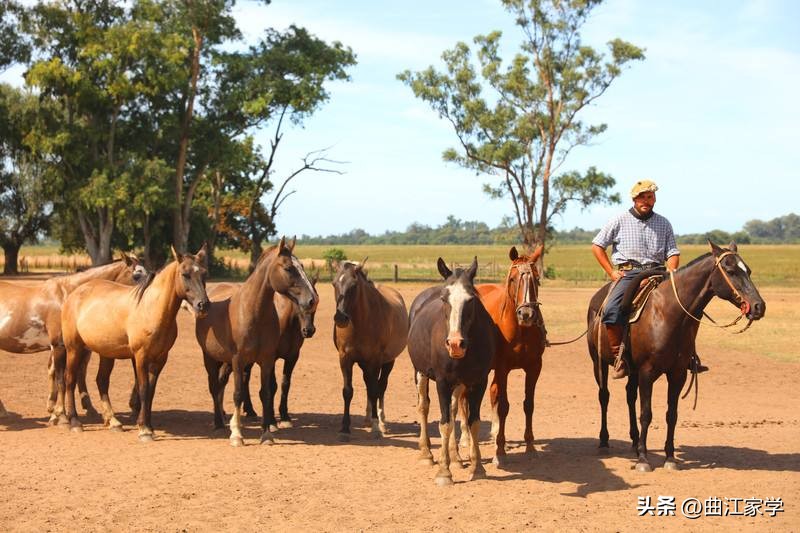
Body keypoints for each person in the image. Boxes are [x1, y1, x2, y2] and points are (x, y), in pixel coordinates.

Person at [591, 180, 680, 379]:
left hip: (658, 272)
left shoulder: (664, 223)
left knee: (684, 306)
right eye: (642, 197)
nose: (646, 201)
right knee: (613, 308)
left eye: (650, 197)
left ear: (654, 199)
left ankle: (687, 356)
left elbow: (672, 251)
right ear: (634, 199)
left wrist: (672, 271)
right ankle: (619, 357)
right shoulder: (619, 220)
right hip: (629, 273)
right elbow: (597, 246)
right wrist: (612, 272)